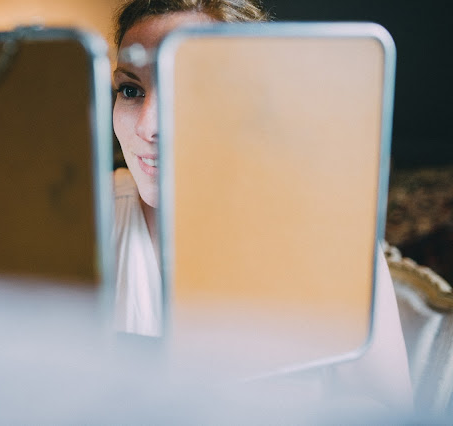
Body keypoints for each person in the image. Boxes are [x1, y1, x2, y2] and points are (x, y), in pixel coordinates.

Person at [111, 0, 413, 413]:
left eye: (188, 86)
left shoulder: (327, 230)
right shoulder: (83, 217)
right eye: (131, 90)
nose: (147, 126)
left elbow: (391, 410)